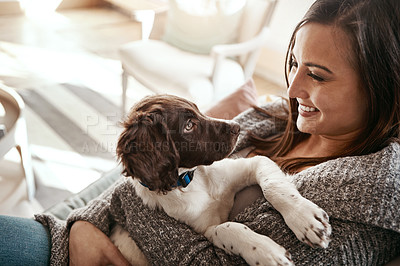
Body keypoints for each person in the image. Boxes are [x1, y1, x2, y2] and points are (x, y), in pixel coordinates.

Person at [1, 0, 399, 265]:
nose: (292, 90)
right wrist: (84, 224)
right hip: (74, 240)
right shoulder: (280, 115)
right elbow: (149, 174)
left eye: (316, 75)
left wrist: (118, 209)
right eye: (294, 63)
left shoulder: (372, 188)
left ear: (383, 86)